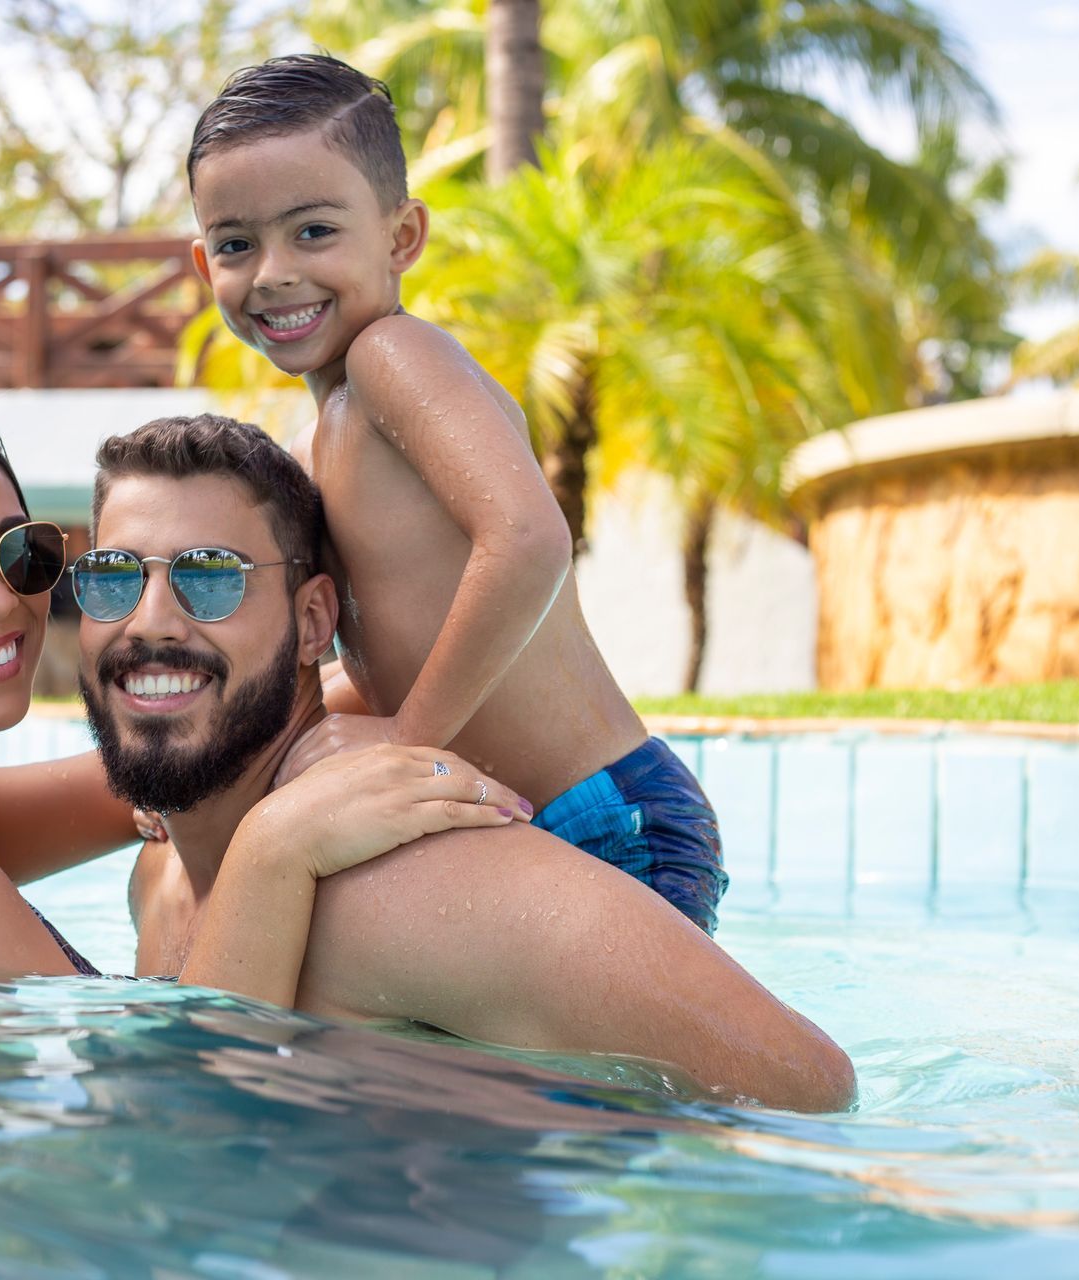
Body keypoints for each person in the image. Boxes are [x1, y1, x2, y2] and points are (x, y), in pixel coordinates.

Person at [73, 414, 853, 1112]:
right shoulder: (162, 876)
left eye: (210, 576)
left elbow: (807, 1080)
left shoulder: (402, 886)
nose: (150, 622)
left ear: (313, 622)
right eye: (111, 577)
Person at [0, 383, 517, 995]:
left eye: (18, 552)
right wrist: (276, 850)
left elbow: (216, 727)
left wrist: (377, 700)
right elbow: (176, 1118)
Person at [185, 55, 728, 934]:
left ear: (402, 237)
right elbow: (381, 660)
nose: (274, 272)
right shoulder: (317, 446)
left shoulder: (393, 358)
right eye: (238, 245)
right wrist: (228, 769)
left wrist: (406, 740)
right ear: (203, 261)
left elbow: (528, 541)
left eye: (314, 231)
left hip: (607, 817)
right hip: (539, 823)